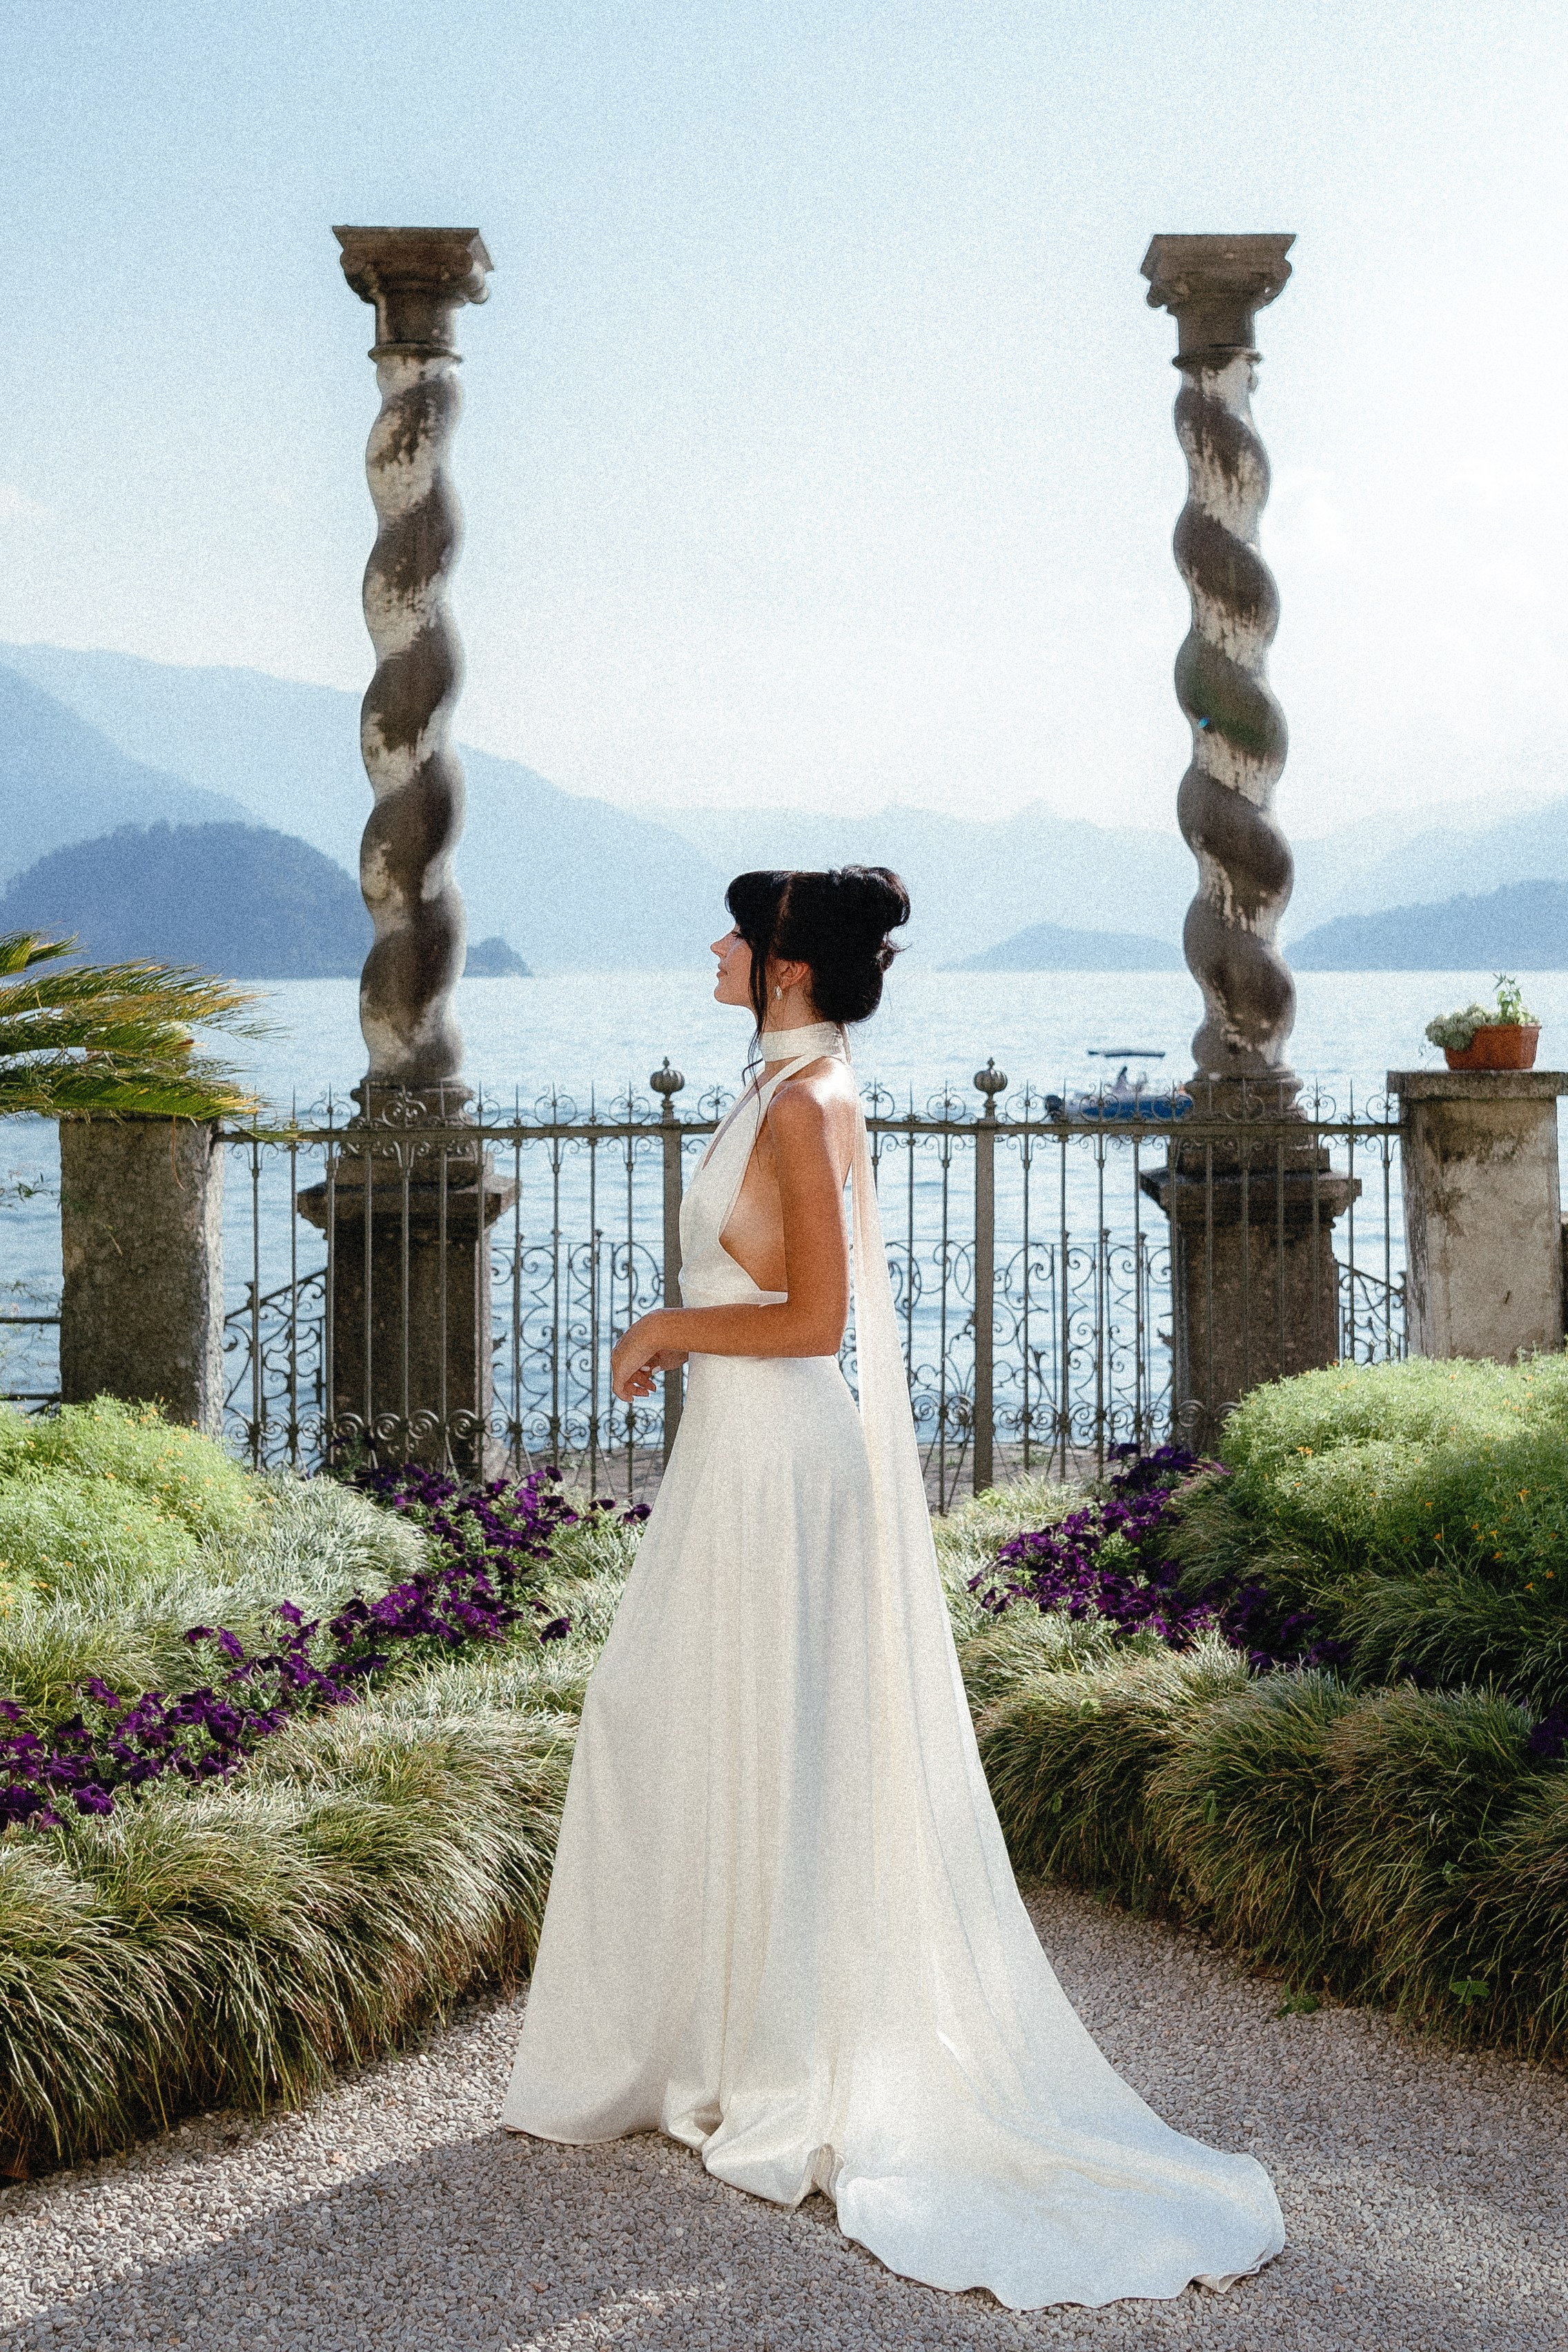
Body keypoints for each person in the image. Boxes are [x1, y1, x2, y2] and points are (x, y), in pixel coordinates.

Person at [502, 867, 1284, 2310]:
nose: (720, 945)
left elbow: (815, 1321)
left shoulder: (809, 1105)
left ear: (788, 968)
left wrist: (667, 1327)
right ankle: (717, 2046)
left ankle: (770, 2059)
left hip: (777, 1465)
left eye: (741, 932)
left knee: (703, 1734)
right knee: (677, 1727)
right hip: (734, 1469)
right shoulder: (778, 1080)